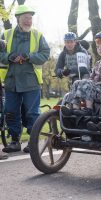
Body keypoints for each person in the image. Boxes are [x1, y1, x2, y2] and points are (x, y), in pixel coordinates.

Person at [0, 5, 50, 153]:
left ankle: (32, 142)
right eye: (26, 18)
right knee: (10, 111)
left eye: (30, 18)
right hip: (11, 81)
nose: (29, 21)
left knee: (32, 113)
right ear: (18, 19)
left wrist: (29, 56)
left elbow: (45, 54)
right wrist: (9, 57)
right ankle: (15, 141)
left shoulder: (37, 35)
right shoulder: (6, 35)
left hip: (31, 81)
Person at [61, 31, 101, 116]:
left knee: (89, 83)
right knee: (77, 82)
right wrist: (88, 82)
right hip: (95, 89)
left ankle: (88, 109)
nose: (99, 49)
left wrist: (94, 84)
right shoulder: (98, 63)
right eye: (97, 47)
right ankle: (75, 108)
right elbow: (91, 77)